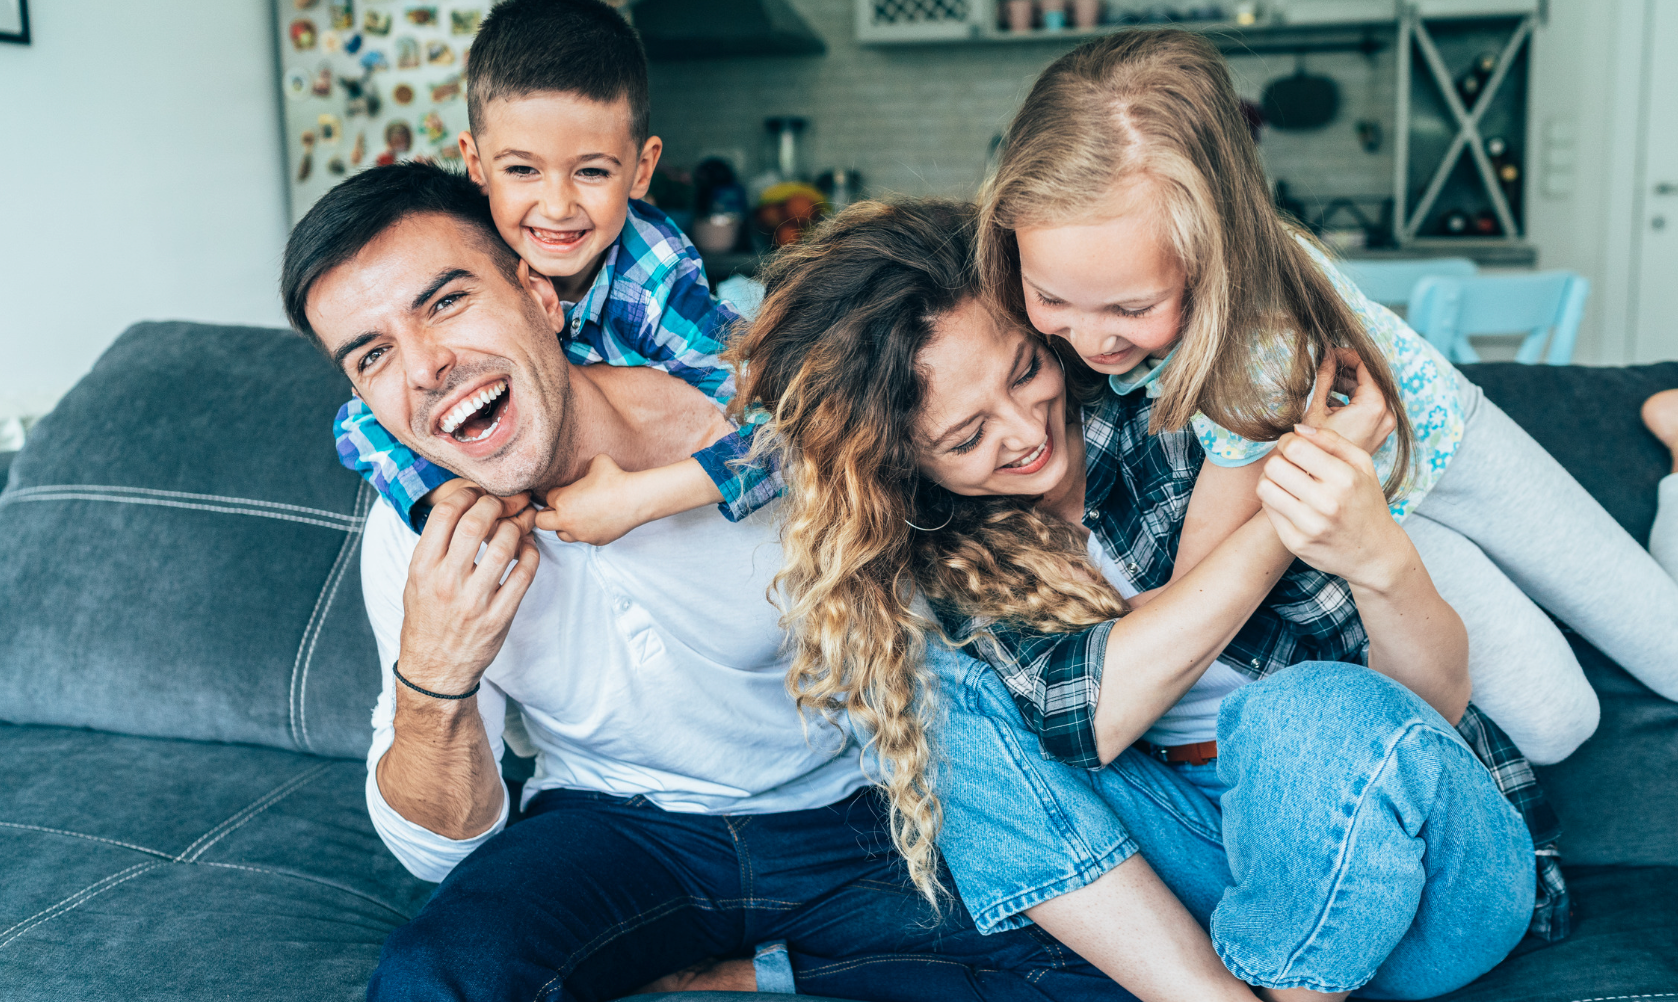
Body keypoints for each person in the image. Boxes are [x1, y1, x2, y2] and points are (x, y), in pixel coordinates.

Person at [281, 164, 1144, 1000]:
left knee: (1105, 966)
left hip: (850, 811)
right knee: (434, 978)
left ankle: (751, 975)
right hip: (615, 826)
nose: (426, 366)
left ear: (542, 296)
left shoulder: (746, 425)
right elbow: (437, 852)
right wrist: (437, 673)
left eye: (446, 302)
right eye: (371, 356)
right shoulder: (418, 527)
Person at [725, 199, 1556, 1001]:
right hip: (1213, 866)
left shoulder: (1187, 412)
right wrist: (1278, 517)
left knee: (1298, 713)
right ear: (899, 464)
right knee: (925, 694)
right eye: (966, 437)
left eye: (1026, 370)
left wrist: (1304, 499)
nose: (1023, 432)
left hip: (1425, 883)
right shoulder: (949, 552)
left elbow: (1421, 711)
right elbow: (1092, 715)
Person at [976, 29, 1678, 768]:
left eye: (1132, 310)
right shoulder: (1069, 288)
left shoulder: (1258, 355)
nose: (1091, 343)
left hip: (1445, 453)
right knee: (1556, 723)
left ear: (1215, 254)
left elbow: (1193, 598)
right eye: (1052, 299)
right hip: (1380, 504)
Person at [329, 0, 776, 542]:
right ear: (476, 166)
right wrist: (449, 494)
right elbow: (359, 424)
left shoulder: (652, 280)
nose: (558, 207)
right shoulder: (468, 255)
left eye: (591, 171)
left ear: (641, 170)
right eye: (521, 170)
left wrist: (637, 499)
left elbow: (785, 435)